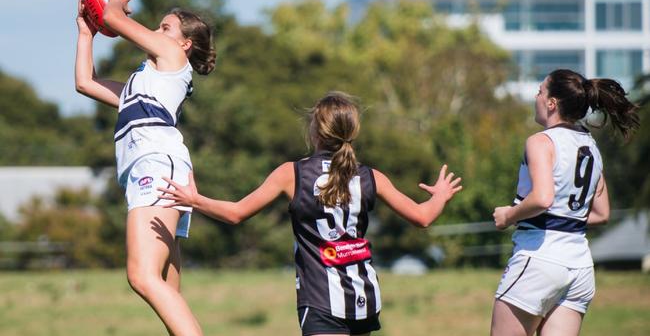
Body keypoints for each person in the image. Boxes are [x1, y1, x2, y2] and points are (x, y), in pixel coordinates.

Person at [158, 91, 462, 336]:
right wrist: (441, 196)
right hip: (364, 299)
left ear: (314, 130)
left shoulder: (292, 174)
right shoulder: (370, 177)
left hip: (321, 301)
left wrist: (195, 200)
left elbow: (237, 213)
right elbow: (423, 217)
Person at [75, 0, 215, 336]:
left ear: (184, 44)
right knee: (166, 288)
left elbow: (113, 16)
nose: (155, 32)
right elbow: (85, 83)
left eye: (164, 28)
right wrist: (85, 32)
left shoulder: (174, 58)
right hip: (158, 167)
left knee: (142, 276)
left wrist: (116, 5)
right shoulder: (143, 82)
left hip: (155, 164)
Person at [490, 69, 640, 336]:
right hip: (579, 267)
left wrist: (508, 215)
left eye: (539, 91)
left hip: (539, 258)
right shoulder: (590, 145)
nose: (535, 97)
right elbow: (602, 213)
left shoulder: (540, 141)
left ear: (551, 103)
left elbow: (543, 198)